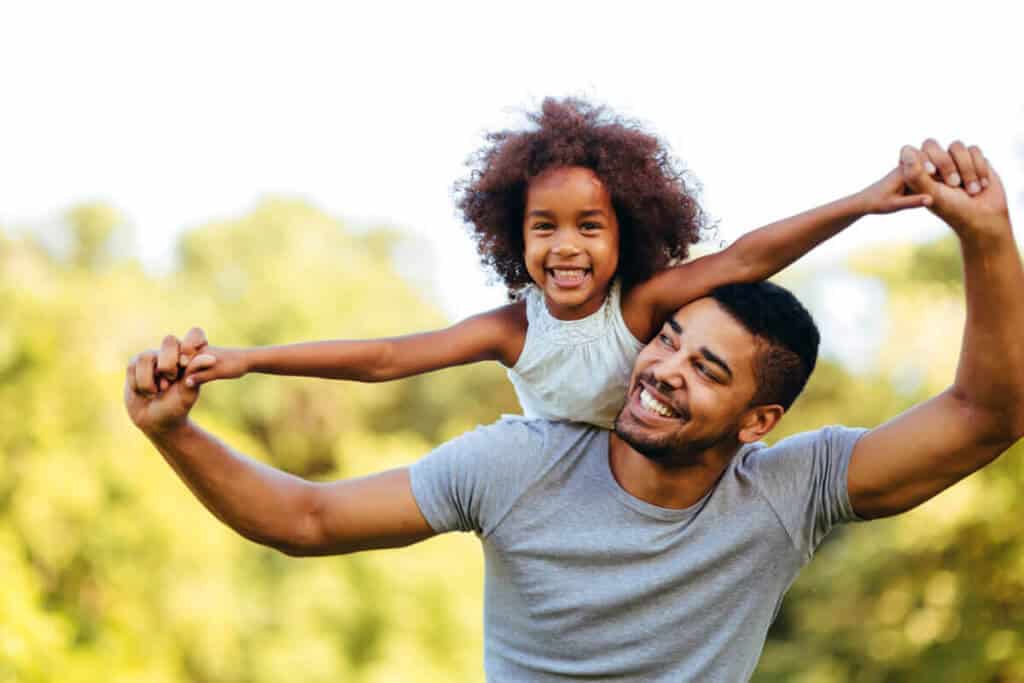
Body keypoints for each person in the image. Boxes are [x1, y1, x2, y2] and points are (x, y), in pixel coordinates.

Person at [125, 140, 1022, 681]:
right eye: (667, 338)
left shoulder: (789, 492)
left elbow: (987, 411)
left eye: (707, 368)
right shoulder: (518, 462)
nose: (662, 367)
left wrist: (986, 239)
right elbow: (305, 515)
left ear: (759, 421)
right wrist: (176, 431)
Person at [165, 98, 931, 430]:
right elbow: (387, 357)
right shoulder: (511, 329)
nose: (566, 246)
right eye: (544, 227)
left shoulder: (639, 309)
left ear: (624, 234)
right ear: (514, 235)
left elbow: (747, 256)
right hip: (558, 489)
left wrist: (862, 202)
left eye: (589, 226)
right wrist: (248, 359)